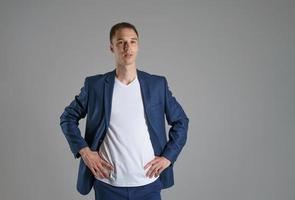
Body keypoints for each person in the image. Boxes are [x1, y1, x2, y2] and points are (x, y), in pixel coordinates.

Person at [59, 22, 189, 200]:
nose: (128, 47)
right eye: (121, 42)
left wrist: (168, 157)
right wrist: (85, 152)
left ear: (138, 46)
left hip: (148, 185)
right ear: (112, 47)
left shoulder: (157, 85)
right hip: (108, 185)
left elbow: (181, 121)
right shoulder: (95, 86)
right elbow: (67, 118)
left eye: (133, 41)